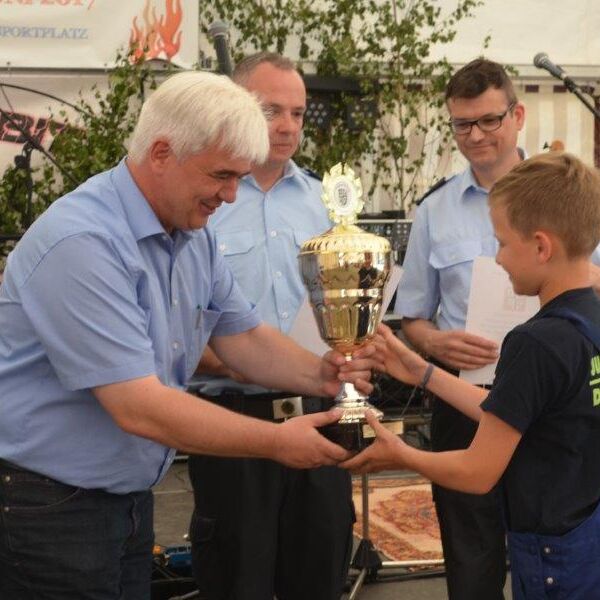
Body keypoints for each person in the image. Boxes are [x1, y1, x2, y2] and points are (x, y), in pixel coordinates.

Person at [0, 71, 377, 600]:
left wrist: (324, 373)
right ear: (160, 153)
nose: (229, 195)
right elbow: (140, 407)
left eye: (240, 179)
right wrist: (276, 443)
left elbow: (243, 338)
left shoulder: (189, 235)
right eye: (221, 176)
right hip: (52, 507)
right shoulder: (83, 243)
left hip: (123, 496)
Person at [343, 151, 600, 600]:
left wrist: (401, 455)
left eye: (501, 242)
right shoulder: (589, 318)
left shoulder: (535, 342)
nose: (497, 258)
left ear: (541, 246)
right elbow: (512, 413)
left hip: (550, 557)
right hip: (587, 535)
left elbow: (478, 471)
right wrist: (422, 371)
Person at [187, 52, 354, 600]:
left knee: (321, 575)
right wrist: (222, 357)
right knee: (238, 582)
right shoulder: (203, 202)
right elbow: (180, 323)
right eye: (271, 110)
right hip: (233, 424)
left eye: (299, 113)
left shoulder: (325, 204)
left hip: (318, 416)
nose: (286, 126)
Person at [393, 57, 524, 599]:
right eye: (462, 125)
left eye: (489, 120)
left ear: (517, 115)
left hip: (551, 400)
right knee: (471, 557)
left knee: (559, 546)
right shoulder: (434, 211)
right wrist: (436, 342)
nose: (476, 136)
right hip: (464, 397)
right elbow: (413, 319)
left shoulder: (567, 196)